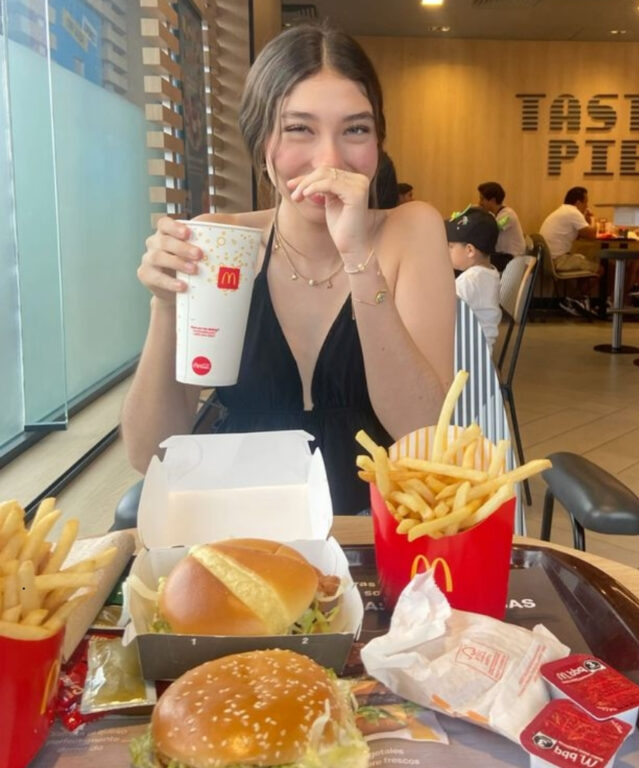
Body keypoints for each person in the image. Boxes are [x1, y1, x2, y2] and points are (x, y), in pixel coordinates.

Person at [122, 23, 456, 516]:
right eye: (299, 128)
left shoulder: (413, 229)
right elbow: (149, 450)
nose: (330, 158)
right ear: (261, 143)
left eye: (355, 129)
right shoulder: (221, 242)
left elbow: (423, 430)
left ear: (378, 143)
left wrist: (359, 260)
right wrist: (165, 305)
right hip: (236, 519)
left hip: (375, 525)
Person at [539, 186, 601, 316]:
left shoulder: (563, 211)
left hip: (548, 260)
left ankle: (576, 301)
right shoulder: (573, 212)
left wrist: (585, 220)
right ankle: (576, 300)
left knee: (582, 260)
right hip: (559, 261)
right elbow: (592, 234)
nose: (586, 206)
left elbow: (579, 234)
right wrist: (594, 219)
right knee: (600, 269)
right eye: (586, 203)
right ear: (578, 203)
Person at [446, 207, 501, 349]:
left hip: (468, 356)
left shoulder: (469, 280)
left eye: (450, 246)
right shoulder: (489, 272)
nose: (446, 251)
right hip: (480, 349)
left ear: (470, 250)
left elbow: (441, 314)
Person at [477, 181, 526, 268]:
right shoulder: (494, 214)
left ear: (492, 201)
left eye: (482, 199)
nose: (479, 203)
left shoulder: (507, 216)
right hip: (503, 256)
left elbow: (491, 231)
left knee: (476, 259)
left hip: (512, 260)